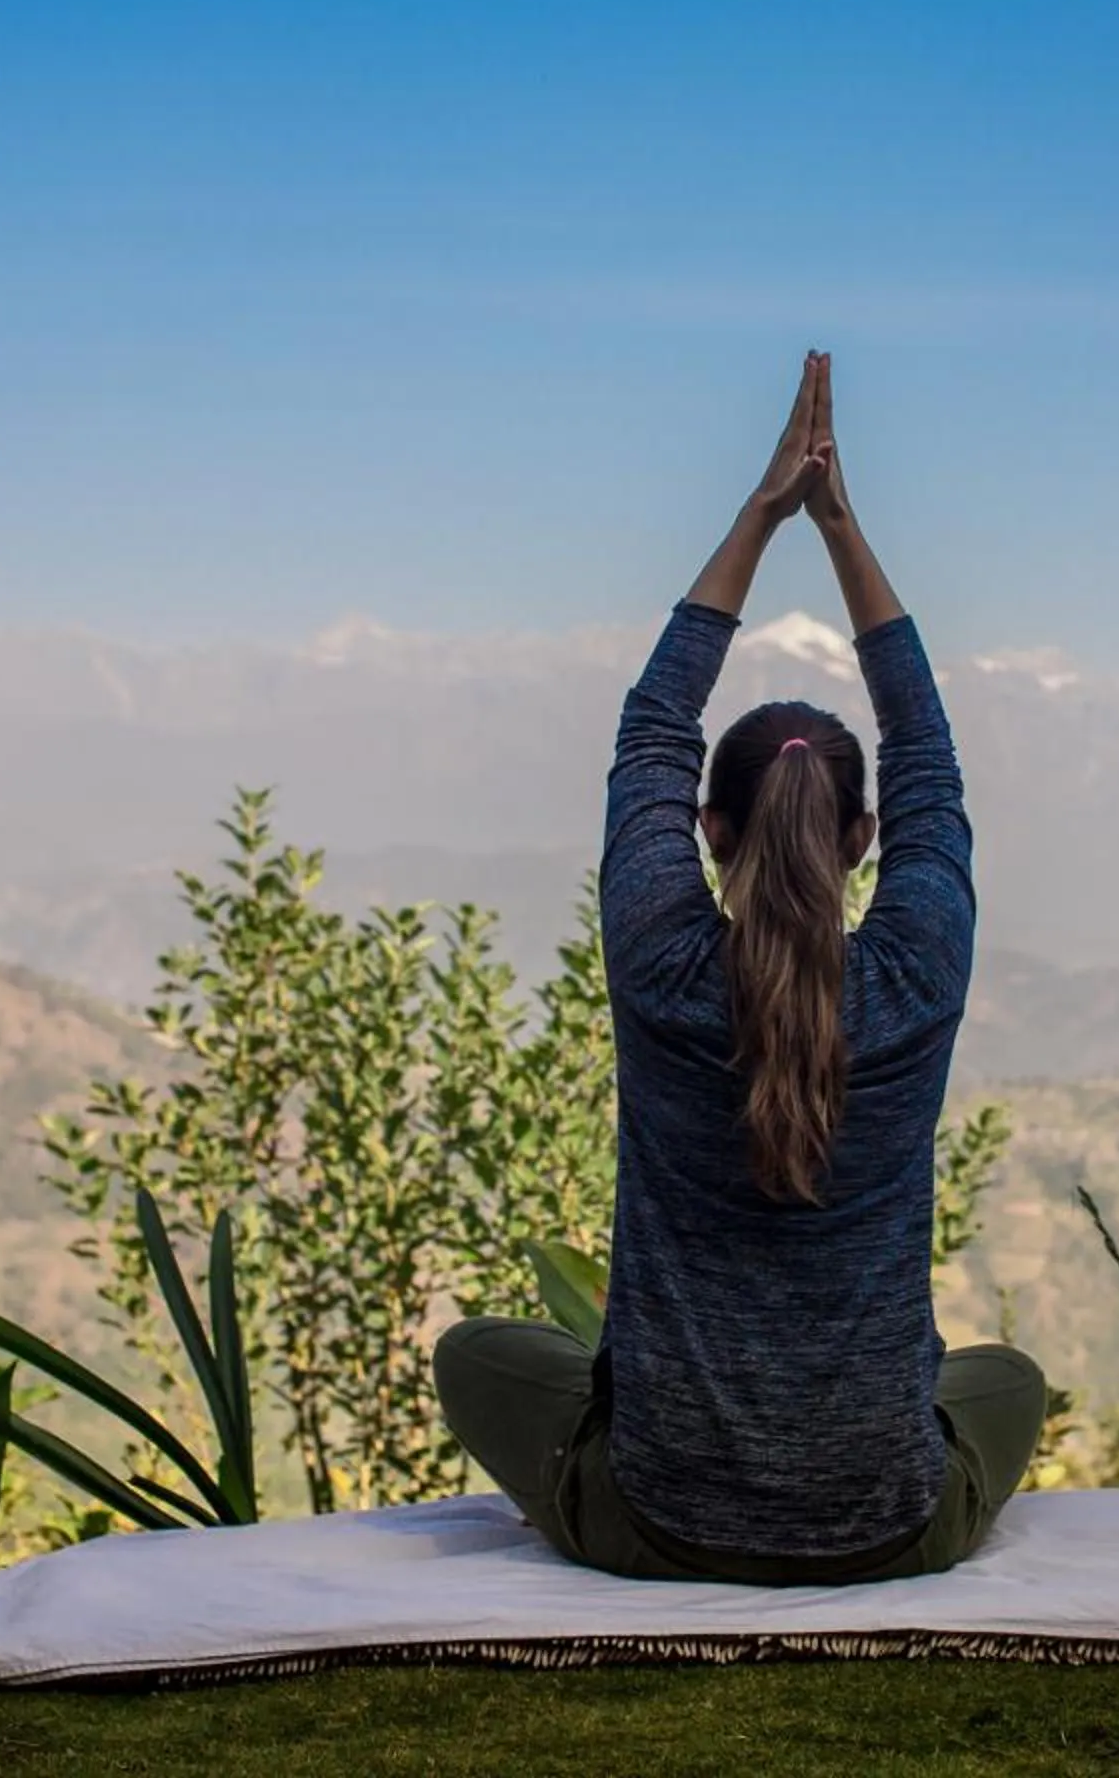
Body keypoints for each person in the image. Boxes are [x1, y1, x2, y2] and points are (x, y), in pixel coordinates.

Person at [435, 350, 1046, 1583]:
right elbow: (927, 749)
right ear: (866, 841)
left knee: (475, 1354)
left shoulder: (663, 965)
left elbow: (654, 729)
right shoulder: (916, 977)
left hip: (656, 1518)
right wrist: (840, 524)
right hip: (888, 1523)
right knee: (1004, 1376)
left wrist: (762, 514)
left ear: (708, 833)